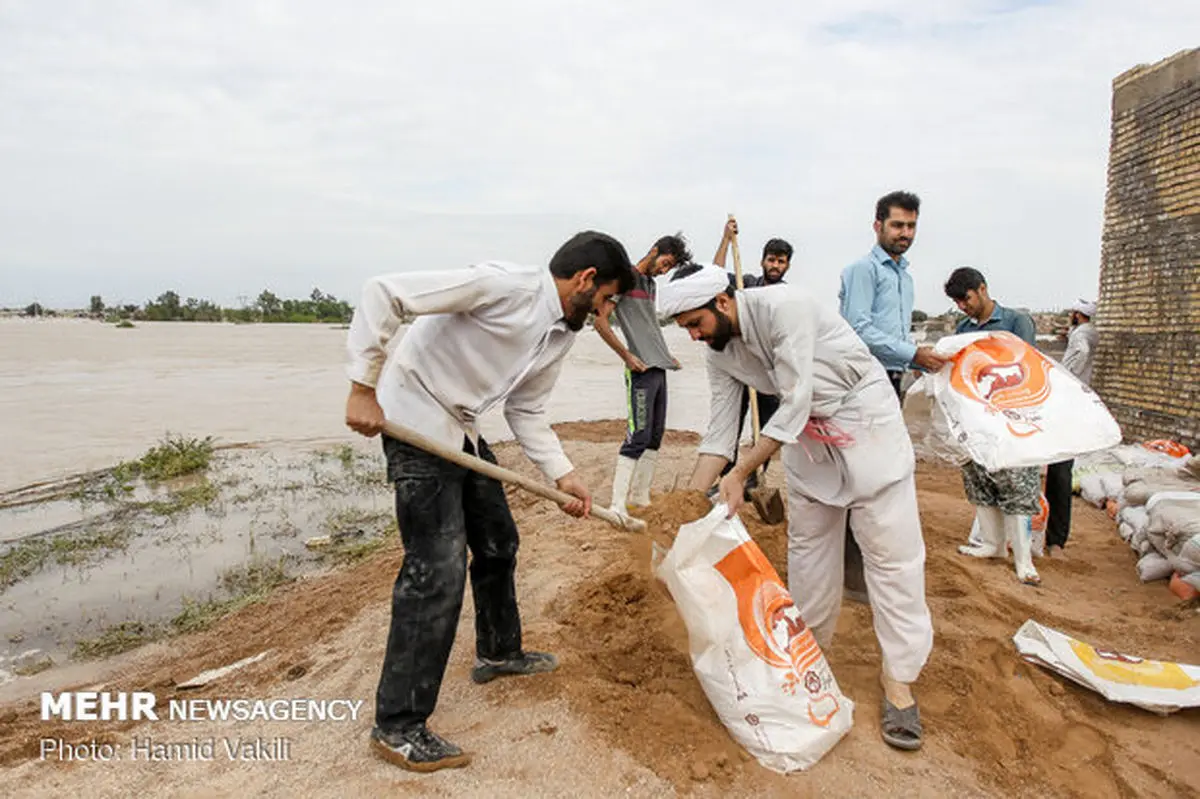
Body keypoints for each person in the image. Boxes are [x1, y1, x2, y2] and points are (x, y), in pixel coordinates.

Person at [343, 231, 636, 772]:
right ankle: (398, 726)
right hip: (414, 419)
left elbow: (526, 410)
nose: (607, 312)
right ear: (587, 281)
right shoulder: (501, 285)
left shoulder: (561, 334)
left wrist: (565, 475)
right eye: (609, 299)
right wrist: (363, 385)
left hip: (462, 425)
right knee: (437, 568)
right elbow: (384, 293)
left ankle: (499, 653)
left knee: (499, 541)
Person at [661, 263, 934, 752]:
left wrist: (741, 474)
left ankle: (900, 681)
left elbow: (796, 399)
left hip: (863, 419)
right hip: (808, 446)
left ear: (722, 303)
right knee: (808, 557)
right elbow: (721, 431)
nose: (695, 337)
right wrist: (689, 504)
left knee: (892, 558)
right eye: (686, 330)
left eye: (695, 325)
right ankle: (810, 657)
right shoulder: (719, 352)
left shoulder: (784, 307)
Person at [943, 267, 1042, 584]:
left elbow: (1025, 365)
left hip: (1010, 416)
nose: (963, 306)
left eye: (966, 298)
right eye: (958, 302)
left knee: (1017, 483)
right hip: (976, 417)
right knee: (978, 478)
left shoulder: (1015, 322)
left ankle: (1023, 559)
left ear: (982, 289)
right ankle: (992, 544)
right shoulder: (962, 328)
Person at [593, 234, 692, 515]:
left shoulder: (650, 284)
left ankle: (640, 496)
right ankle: (616, 505)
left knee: (655, 435)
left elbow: (649, 325)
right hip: (639, 371)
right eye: (665, 263)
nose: (664, 270)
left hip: (659, 367)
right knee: (637, 435)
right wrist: (626, 355)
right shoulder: (625, 278)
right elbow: (600, 321)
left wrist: (665, 353)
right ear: (655, 250)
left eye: (669, 268)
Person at [711, 216, 794, 497]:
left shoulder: (786, 295)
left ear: (787, 266)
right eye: (772, 260)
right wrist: (725, 239)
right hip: (741, 367)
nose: (775, 266)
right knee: (731, 425)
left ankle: (754, 477)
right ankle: (728, 476)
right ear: (762, 261)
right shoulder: (743, 283)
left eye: (781, 262)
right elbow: (713, 276)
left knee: (766, 430)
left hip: (769, 373)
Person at [1044, 298, 1099, 557]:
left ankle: (1052, 538)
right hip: (1077, 404)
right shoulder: (1089, 333)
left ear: (1077, 315)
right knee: (1059, 469)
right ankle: (1053, 538)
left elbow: (1081, 354)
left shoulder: (1081, 336)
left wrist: (1061, 380)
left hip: (1067, 404)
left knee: (1059, 471)